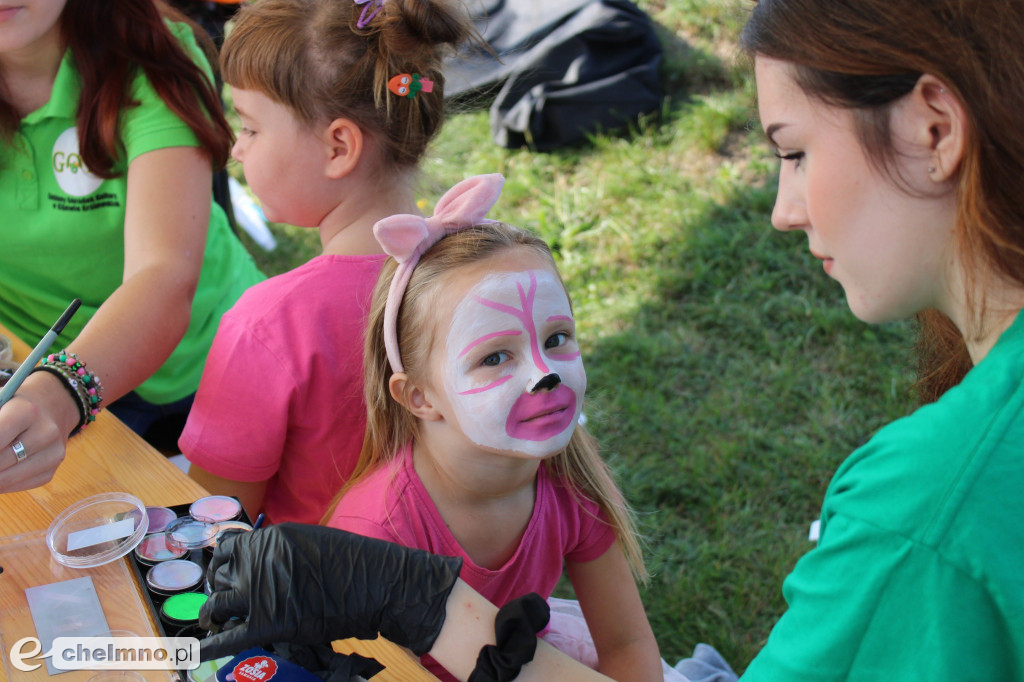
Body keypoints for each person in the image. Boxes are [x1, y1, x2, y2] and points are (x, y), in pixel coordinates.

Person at [199, 0, 1024, 679]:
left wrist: (424, 602)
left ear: (934, 130)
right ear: (415, 394)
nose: (783, 208)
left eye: (796, 151)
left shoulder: (927, 508)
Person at [324, 172, 666, 681]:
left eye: (556, 339)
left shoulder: (569, 479)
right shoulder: (376, 536)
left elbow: (627, 643)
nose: (543, 373)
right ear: (418, 396)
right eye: (496, 356)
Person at [179, 0, 477, 525]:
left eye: (249, 127)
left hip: (322, 599)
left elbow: (212, 521)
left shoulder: (270, 325)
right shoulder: (489, 270)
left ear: (339, 146)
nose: (235, 149)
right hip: (473, 593)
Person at [0, 0, 264, 493]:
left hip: (217, 358)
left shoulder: (149, 50)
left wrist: (60, 395)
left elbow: (162, 274)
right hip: (44, 388)